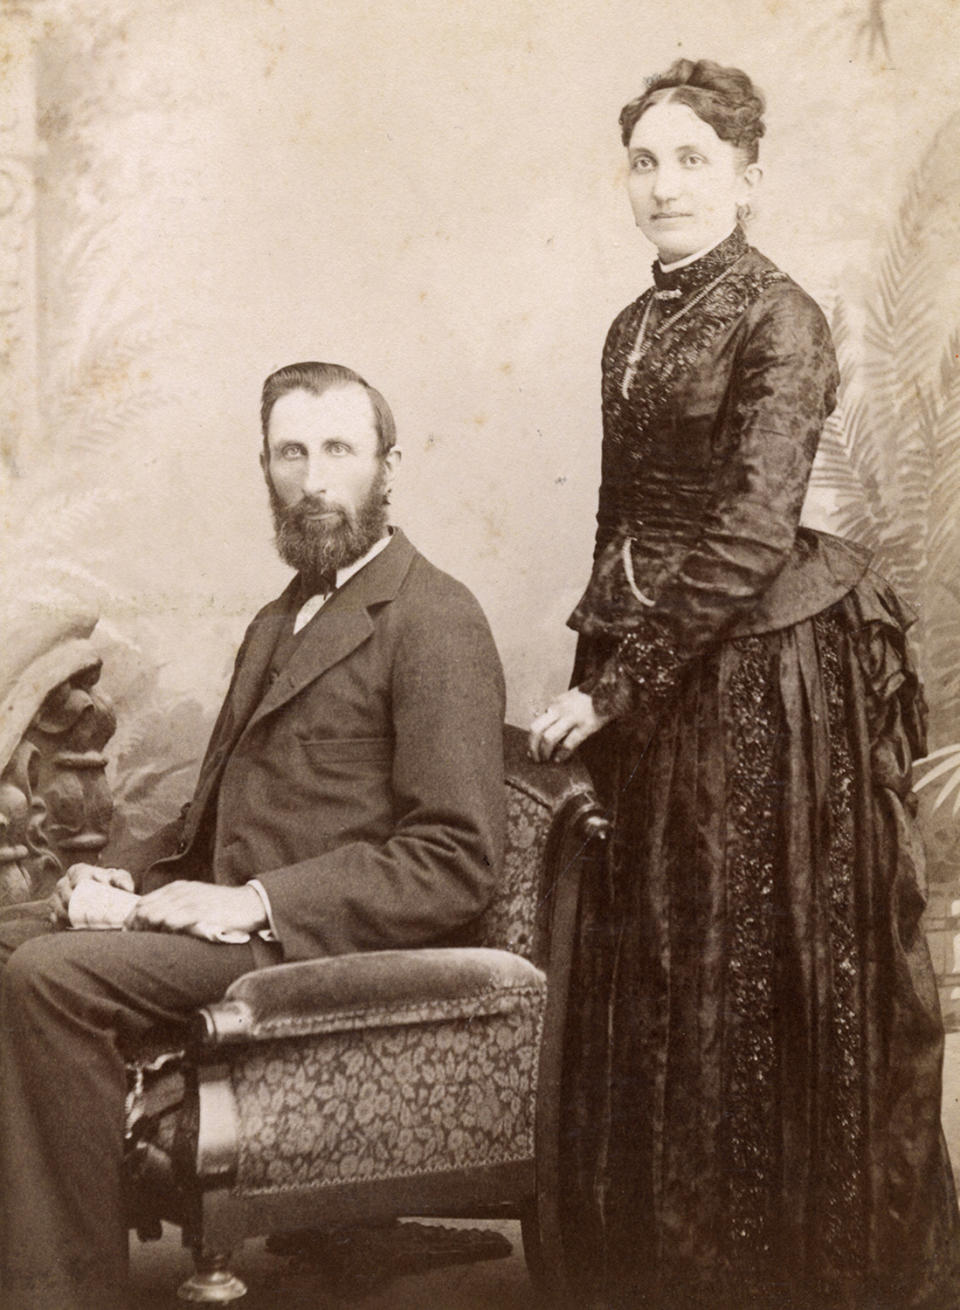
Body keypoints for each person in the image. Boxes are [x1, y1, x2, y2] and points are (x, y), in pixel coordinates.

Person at [529, 60, 960, 1310]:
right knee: (665, 961)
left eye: (694, 161)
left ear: (748, 177)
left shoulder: (785, 319)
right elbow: (619, 530)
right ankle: (673, 1266)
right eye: (647, 162)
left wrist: (620, 690)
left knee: (752, 959)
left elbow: (752, 528)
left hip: (771, 681)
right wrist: (597, 694)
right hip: (664, 678)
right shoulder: (630, 325)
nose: (666, 185)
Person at [0, 360, 506, 1309]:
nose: (314, 479)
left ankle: (63, 1292)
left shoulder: (435, 618)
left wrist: (253, 901)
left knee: (48, 978)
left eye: (339, 451)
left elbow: (457, 860)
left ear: (388, 468)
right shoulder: (282, 621)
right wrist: (105, 878)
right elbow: (204, 825)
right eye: (291, 452)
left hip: (312, 947)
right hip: (220, 926)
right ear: (266, 467)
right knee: (13, 934)